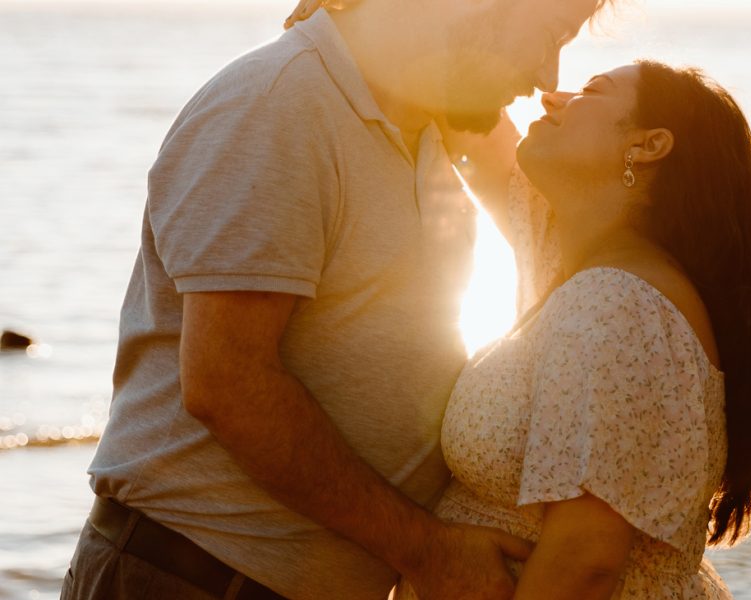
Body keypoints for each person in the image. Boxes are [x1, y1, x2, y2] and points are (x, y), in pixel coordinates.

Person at [61, 1, 608, 599]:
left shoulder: (428, 121)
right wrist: (429, 552)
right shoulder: (279, 104)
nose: (548, 78)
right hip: (194, 579)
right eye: (552, 35)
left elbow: (563, 230)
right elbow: (228, 384)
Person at [393, 61, 751, 599]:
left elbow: (582, 564)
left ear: (648, 144)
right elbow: (470, 117)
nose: (551, 96)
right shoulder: (577, 263)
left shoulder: (619, 303)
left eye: (590, 91)